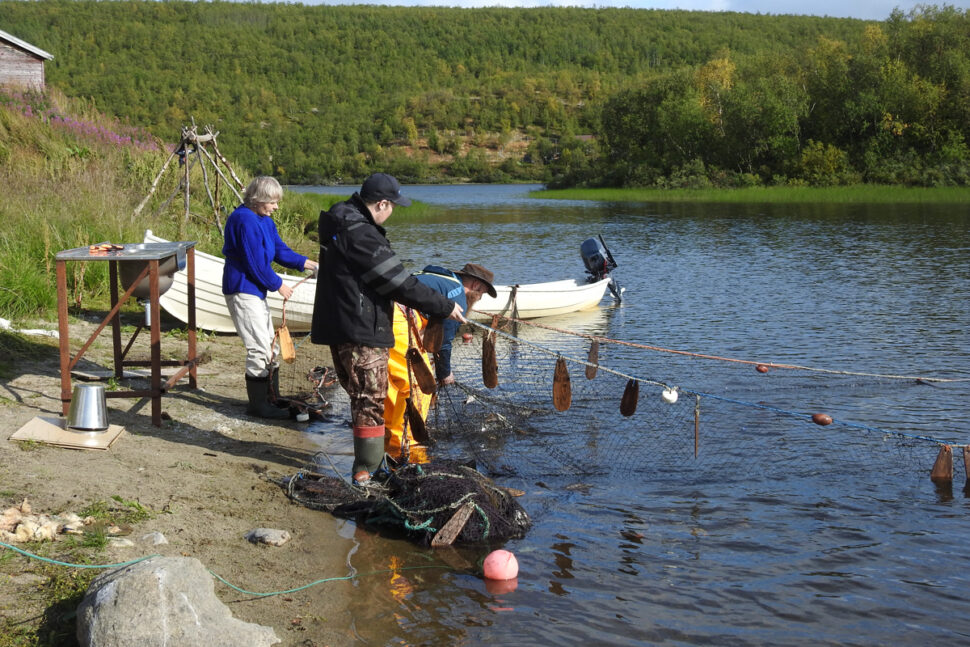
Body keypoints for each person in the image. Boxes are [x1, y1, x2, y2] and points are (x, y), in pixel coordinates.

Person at [310, 173, 465, 484]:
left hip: (341, 324)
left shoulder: (342, 221)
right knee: (370, 398)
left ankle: (370, 464)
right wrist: (444, 306)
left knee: (361, 396)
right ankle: (366, 473)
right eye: (392, 205)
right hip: (361, 327)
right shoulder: (361, 233)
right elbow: (397, 281)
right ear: (381, 203)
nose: (393, 211)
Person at [223, 176, 318, 419]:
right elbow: (254, 262)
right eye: (273, 202)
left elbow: (279, 250)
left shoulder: (264, 220)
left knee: (269, 346)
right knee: (259, 348)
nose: (276, 207)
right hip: (242, 289)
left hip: (255, 291)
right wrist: (278, 285)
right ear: (258, 200)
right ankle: (258, 406)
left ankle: (271, 398)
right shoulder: (243, 219)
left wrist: (307, 263)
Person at [384, 262, 497, 464]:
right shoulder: (457, 295)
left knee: (394, 383)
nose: (478, 299)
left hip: (383, 312)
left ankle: (389, 441)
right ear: (477, 286)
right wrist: (445, 374)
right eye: (481, 294)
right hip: (396, 319)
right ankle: (410, 448)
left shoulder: (437, 278)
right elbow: (444, 342)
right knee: (419, 385)